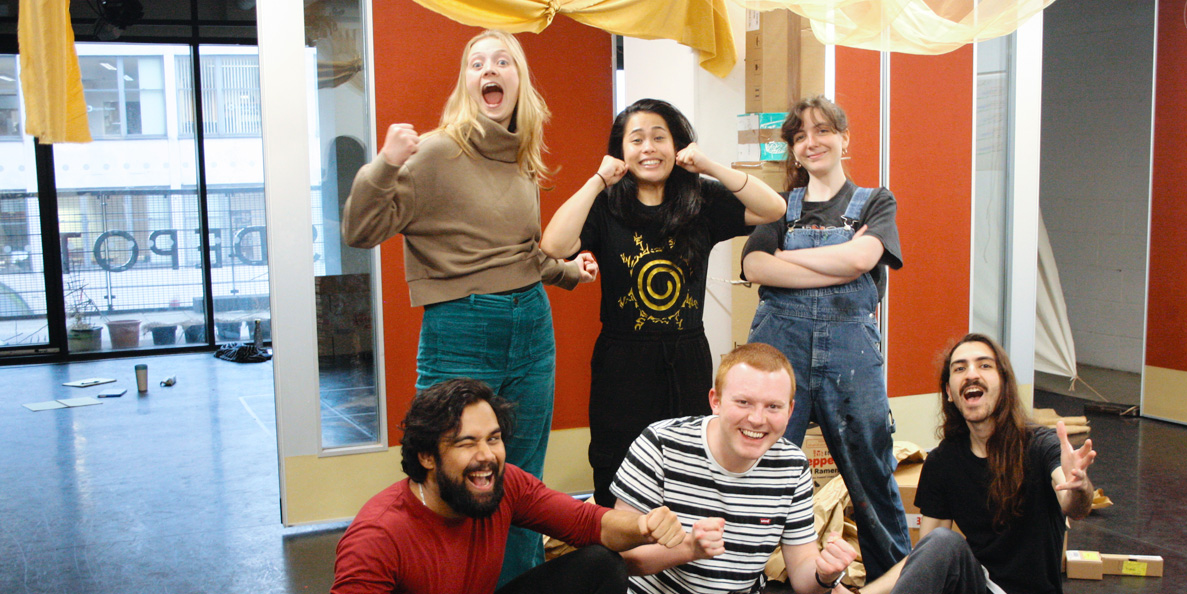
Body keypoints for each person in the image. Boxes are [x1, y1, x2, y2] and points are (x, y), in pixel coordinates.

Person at [340, 30, 597, 582]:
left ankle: (519, 584)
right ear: (466, 82)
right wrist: (384, 164)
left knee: (520, 477)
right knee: (451, 475)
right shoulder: (436, 152)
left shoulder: (521, 156)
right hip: (461, 323)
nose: (490, 69)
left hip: (531, 321)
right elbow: (360, 230)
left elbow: (521, 251)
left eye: (503, 61)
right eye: (477, 63)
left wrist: (567, 273)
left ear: (518, 80)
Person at [540, 98, 786, 508]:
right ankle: (620, 547)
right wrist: (598, 180)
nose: (648, 148)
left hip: (686, 358)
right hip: (622, 362)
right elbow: (553, 245)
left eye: (659, 138)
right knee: (616, 469)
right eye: (636, 140)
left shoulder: (701, 201)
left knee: (689, 470)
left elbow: (773, 207)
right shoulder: (606, 204)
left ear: (678, 147)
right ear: (621, 150)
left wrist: (708, 165)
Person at [740, 95, 909, 580]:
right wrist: (838, 264)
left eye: (822, 131)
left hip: (851, 355)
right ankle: (740, 579)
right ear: (793, 149)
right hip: (780, 352)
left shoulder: (876, 201)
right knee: (758, 468)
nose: (811, 142)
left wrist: (788, 261)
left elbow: (862, 259)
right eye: (800, 136)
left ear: (844, 138)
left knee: (872, 473)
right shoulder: (778, 206)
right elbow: (755, 266)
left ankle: (896, 582)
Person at [331, 378, 687, 594]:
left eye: (494, 438)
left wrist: (644, 526)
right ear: (426, 456)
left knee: (601, 564)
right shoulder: (378, 537)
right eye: (467, 443)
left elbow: (588, 523)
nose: (487, 456)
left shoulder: (503, 484)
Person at [832, 333, 1098, 594]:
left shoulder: (1040, 445)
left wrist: (1079, 486)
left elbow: (1073, 505)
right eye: (960, 368)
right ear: (950, 392)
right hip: (981, 586)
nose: (971, 374)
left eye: (984, 365)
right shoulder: (943, 462)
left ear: (1004, 383)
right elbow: (925, 557)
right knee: (942, 542)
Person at [610, 343, 858, 594]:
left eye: (773, 406)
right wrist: (688, 549)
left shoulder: (792, 466)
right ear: (715, 401)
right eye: (743, 402)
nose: (757, 419)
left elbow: (803, 572)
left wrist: (825, 575)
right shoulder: (661, 444)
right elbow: (622, 558)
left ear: (790, 410)